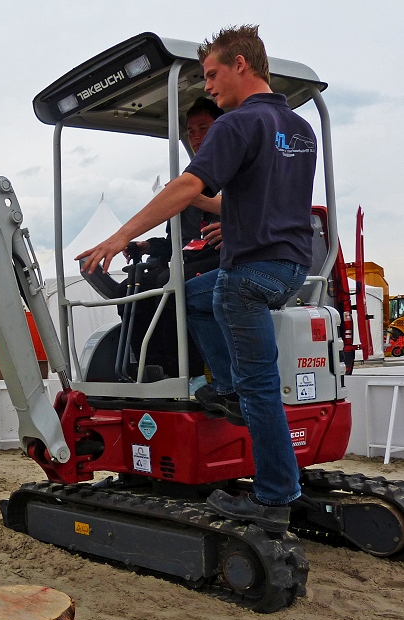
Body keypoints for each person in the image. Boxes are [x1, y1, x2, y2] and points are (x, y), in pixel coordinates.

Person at [77, 25, 317, 533]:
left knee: (261, 387)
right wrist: (214, 208)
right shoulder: (298, 129)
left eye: (211, 74)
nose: (208, 86)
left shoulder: (236, 124)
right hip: (289, 268)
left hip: (248, 273)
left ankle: (275, 499)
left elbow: (189, 182)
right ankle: (225, 388)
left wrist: (119, 238)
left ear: (241, 66)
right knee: (191, 296)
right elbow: (249, 199)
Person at [122, 97, 224, 377]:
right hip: (187, 262)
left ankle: (189, 373)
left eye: (203, 128)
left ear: (223, 128)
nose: (196, 137)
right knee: (133, 286)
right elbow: (174, 244)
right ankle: (149, 369)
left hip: (227, 261)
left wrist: (238, 227)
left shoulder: (239, 176)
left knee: (168, 283)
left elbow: (264, 215)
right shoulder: (185, 187)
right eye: (191, 131)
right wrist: (145, 245)